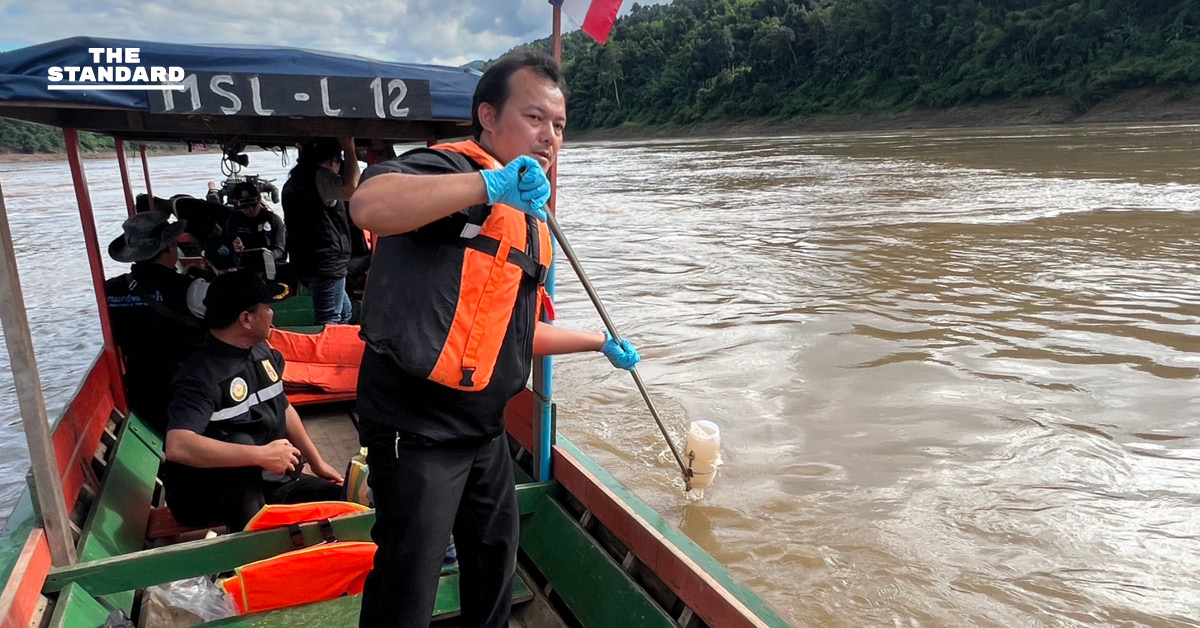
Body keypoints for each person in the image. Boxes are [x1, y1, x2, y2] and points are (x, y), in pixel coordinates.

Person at [349, 51, 641, 628]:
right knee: (410, 579)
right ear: (487, 114)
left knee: (494, 559)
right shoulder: (445, 172)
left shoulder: (529, 218)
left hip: (483, 430)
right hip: (418, 426)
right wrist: (487, 184)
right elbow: (369, 205)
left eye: (558, 126)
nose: (549, 137)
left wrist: (597, 342)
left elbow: (509, 331)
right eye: (535, 118)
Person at [162, 270, 344, 532]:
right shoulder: (199, 377)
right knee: (240, 442)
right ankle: (249, 547)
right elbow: (178, 445)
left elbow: (283, 406)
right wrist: (261, 454)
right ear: (246, 319)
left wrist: (316, 462)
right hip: (209, 495)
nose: (273, 315)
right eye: (267, 308)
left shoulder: (261, 352)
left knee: (342, 500)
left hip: (269, 479)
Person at [105, 211, 207, 432]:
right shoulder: (191, 289)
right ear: (170, 248)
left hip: (142, 393)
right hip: (191, 391)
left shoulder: (109, 289)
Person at [282, 137, 360, 325]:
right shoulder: (321, 177)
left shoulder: (292, 183)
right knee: (330, 318)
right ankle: (332, 353)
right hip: (326, 261)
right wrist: (350, 149)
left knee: (345, 313)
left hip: (305, 259)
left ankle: (341, 346)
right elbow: (351, 188)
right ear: (334, 161)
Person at [225, 181, 287, 263]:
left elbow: (280, 249)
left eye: (253, 203)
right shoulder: (234, 220)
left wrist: (268, 257)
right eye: (244, 205)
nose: (250, 208)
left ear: (259, 199)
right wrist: (234, 245)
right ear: (237, 203)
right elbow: (227, 243)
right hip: (244, 263)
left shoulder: (273, 219)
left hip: (270, 262)